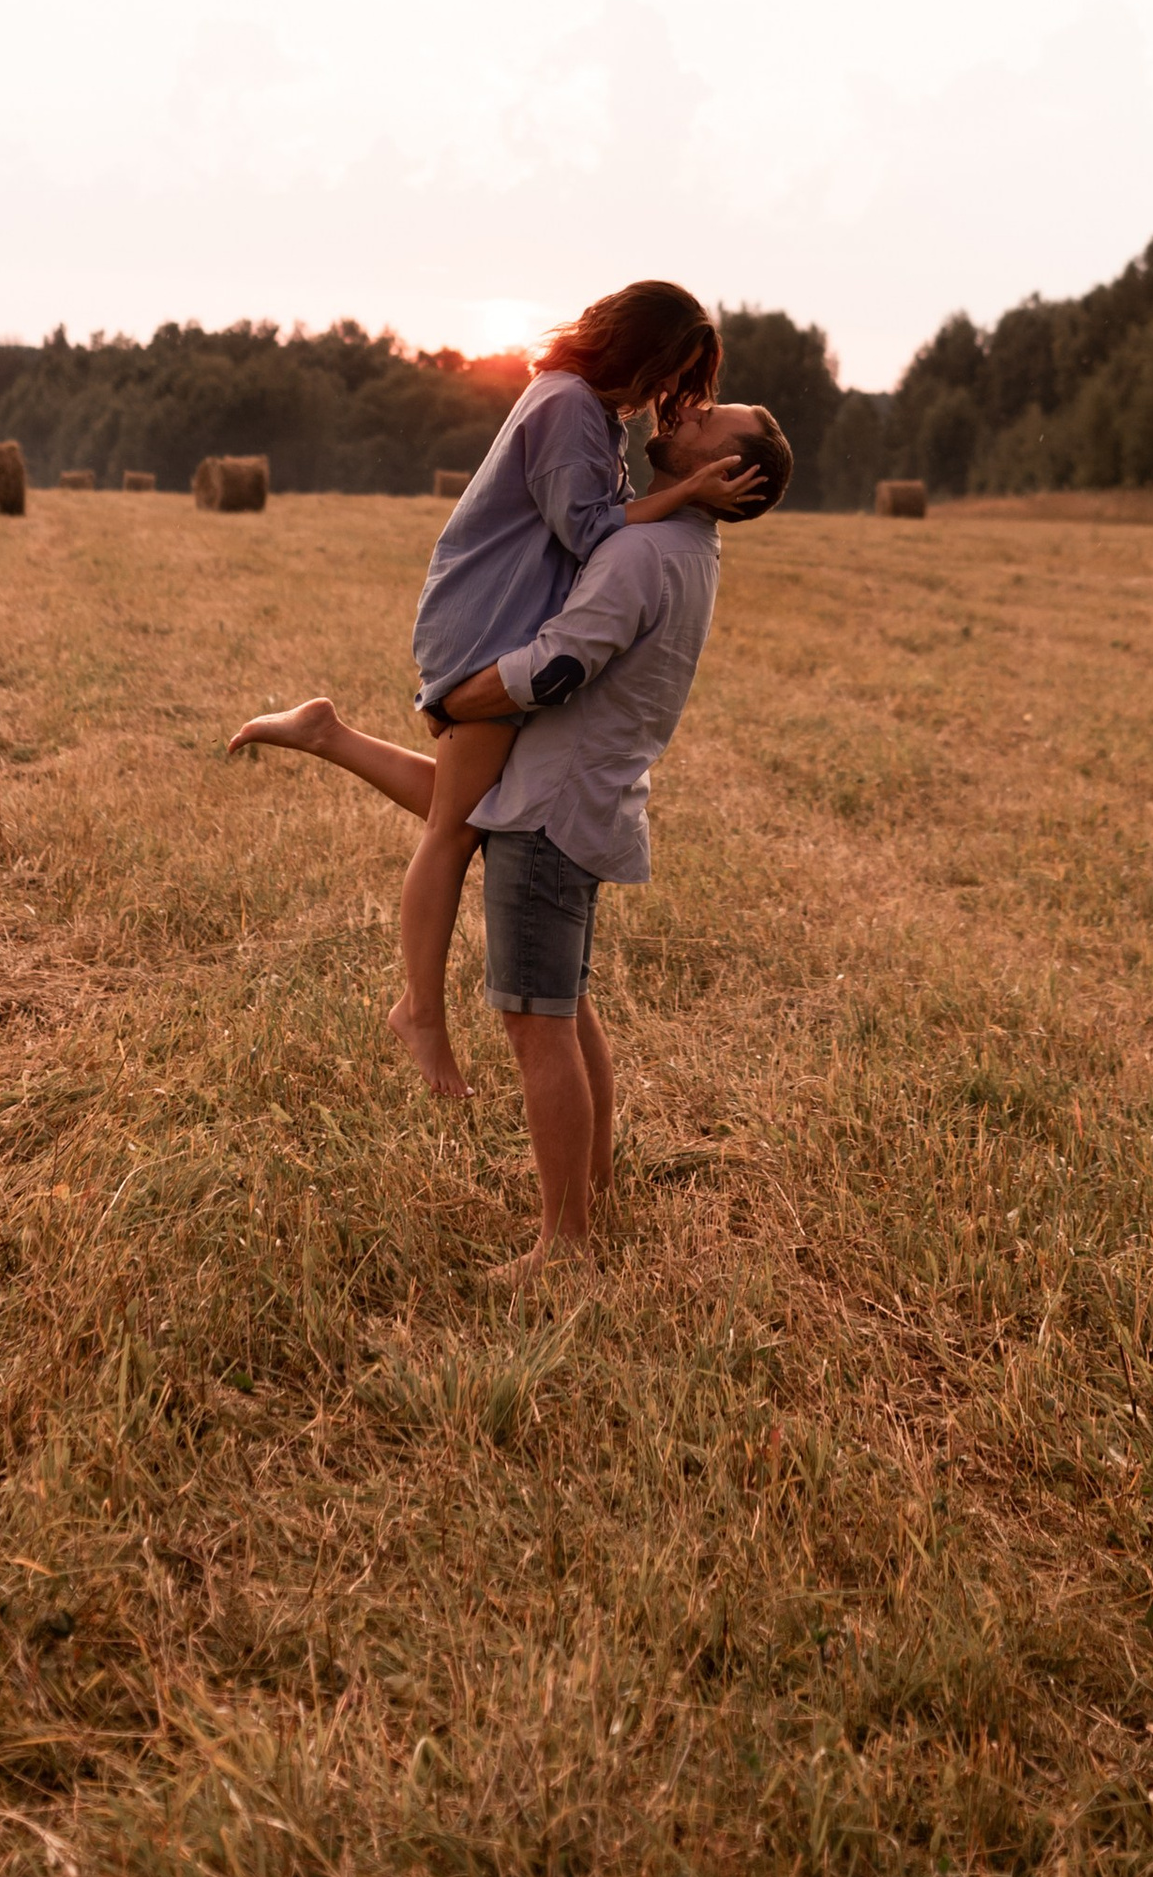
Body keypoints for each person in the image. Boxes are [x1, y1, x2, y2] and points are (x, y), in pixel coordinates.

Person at [229, 397, 792, 1270]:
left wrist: (457, 699)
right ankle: (592, 1194)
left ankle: (564, 1242)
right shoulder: (686, 546)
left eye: (713, 418)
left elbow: (557, 663)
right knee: (566, 1007)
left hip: (553, 809)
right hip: (577, 795)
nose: (690, 411)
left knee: (538, 1025)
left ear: (731, 474)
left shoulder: (646, 551)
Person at [231, 283, 759, 1100]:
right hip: (487, 624)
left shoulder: (590, 412)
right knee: (453, 832)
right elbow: (589, 531)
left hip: (508, 617)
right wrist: (686, 494)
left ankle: (326, 733)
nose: (669, 392)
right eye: (668, 368)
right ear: (636, 347)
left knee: (467, 809)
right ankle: (420, 1014)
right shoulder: (567, 405)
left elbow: (596, 526)